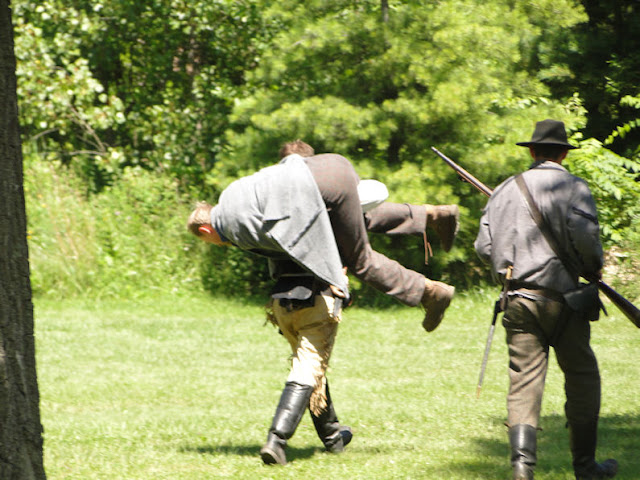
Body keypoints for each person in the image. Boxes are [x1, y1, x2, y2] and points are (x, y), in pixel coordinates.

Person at [187, 144, 458, 465]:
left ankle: (430, 292)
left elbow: (297, 244)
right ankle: (431, 215)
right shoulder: (233, 194)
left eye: (207, 241)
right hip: (330, 168)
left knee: (361, 261)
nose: (215, 245)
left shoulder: (234, 229)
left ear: (205, 229)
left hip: (320, 186)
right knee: (354, 220)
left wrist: (335, 279)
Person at [474, 119, 618, 480]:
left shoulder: (505, 190)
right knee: (582, 377)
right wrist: (593, 268)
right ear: (565, 153)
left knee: (523, 383)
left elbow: (484, 248)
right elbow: (586, 240)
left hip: (518, 300)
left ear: (533, 151)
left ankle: (522, 470)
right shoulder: (574, 186)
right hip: (566, 300)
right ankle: (586, 468)